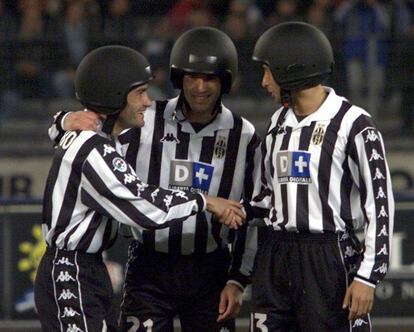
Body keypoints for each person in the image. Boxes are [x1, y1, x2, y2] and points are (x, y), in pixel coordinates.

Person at [49, 27, 262, 332]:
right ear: (179, 78)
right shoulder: (145, 118)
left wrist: (237, 281)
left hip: (211, 270)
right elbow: (85, 138)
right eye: (192, 76)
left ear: (225, 80)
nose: (200, 87)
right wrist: (64, 120)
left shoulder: (245, 136)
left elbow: (250, 216)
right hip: (150, 267)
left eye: (210, 78)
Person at [237, 21, 394, 331]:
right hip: (276, 255)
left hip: (329, 257)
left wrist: (368, 276)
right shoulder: (277, 122)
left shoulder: (354, 123)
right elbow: (269, 197)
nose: (265, 81)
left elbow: (380, 205)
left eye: (268, 71)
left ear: (291, 70)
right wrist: (239, 210)